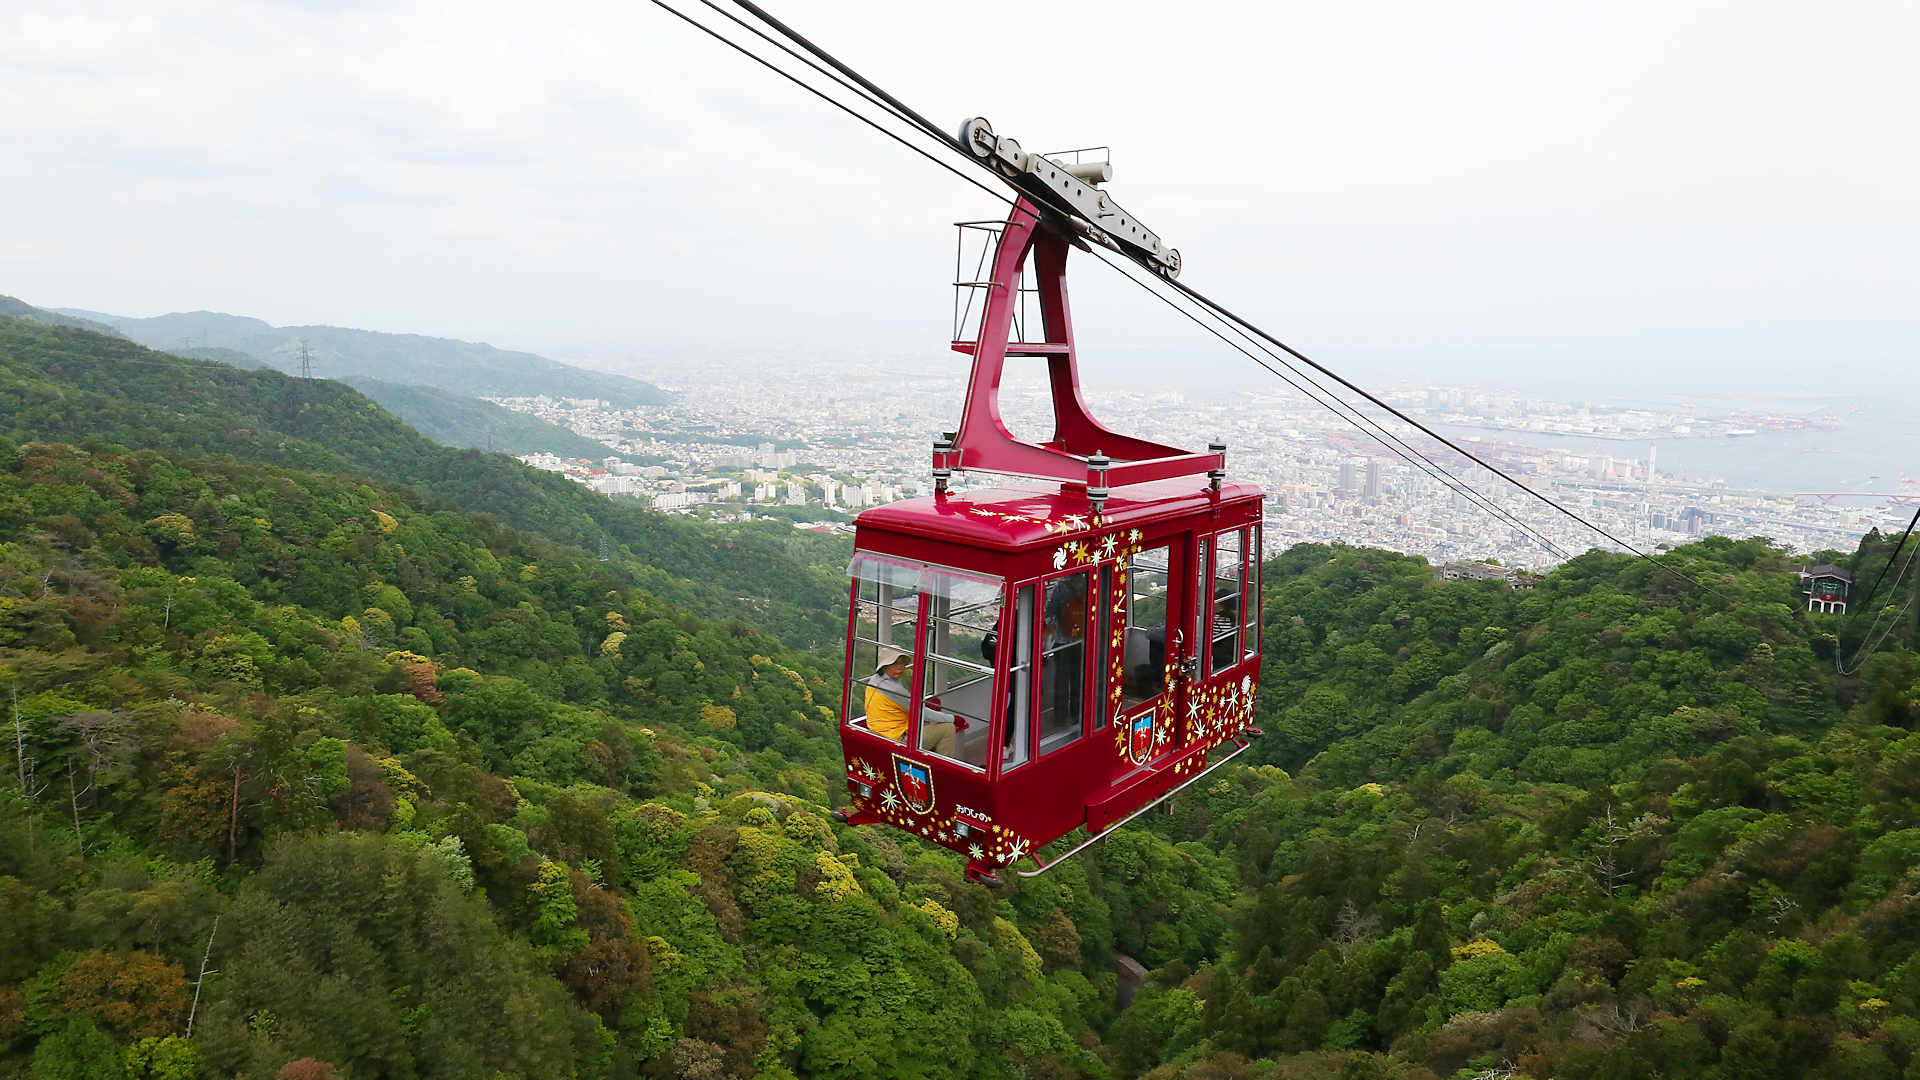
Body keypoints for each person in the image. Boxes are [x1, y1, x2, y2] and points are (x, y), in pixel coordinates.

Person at [864, 647, 960, 756]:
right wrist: (952, 719)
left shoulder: (875, 679)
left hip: (879, 731)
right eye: (895, 664)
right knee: (948, 728)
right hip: (897, 739)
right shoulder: (893, 689)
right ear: (885, 666)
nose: (900, 668)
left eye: (903, 664)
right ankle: (943, 769)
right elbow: (921, 712)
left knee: (934, 722)